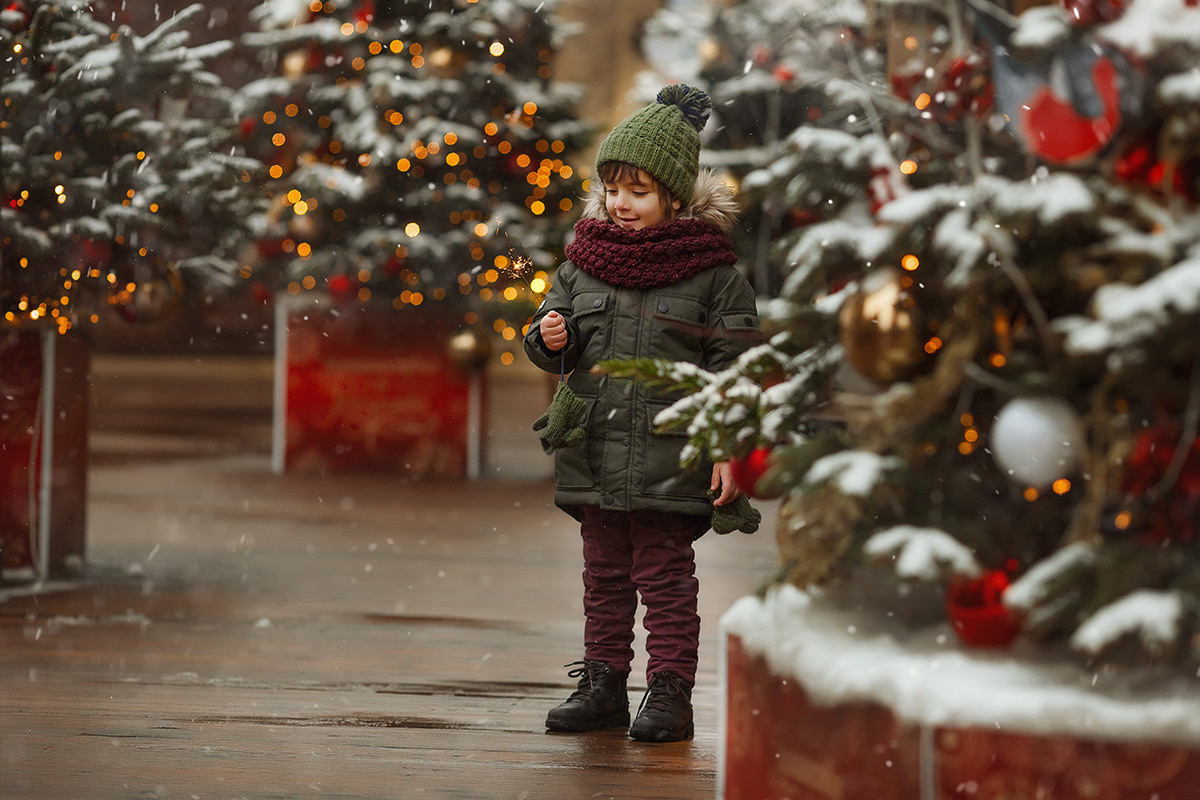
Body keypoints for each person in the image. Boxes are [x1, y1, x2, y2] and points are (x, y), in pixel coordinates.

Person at [523, 84, 761, 743]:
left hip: (670, 455)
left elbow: (736, 371)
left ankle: (669, 692)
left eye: (639, 191)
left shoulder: (713, 277)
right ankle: (601, 684)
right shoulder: (582, 266)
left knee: (664, 580)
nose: (621, 204)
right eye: (613, 189)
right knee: (603, 579)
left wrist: (726, 446)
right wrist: (549, 339)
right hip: (595, 455)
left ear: (675, 198)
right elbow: (553, 340)